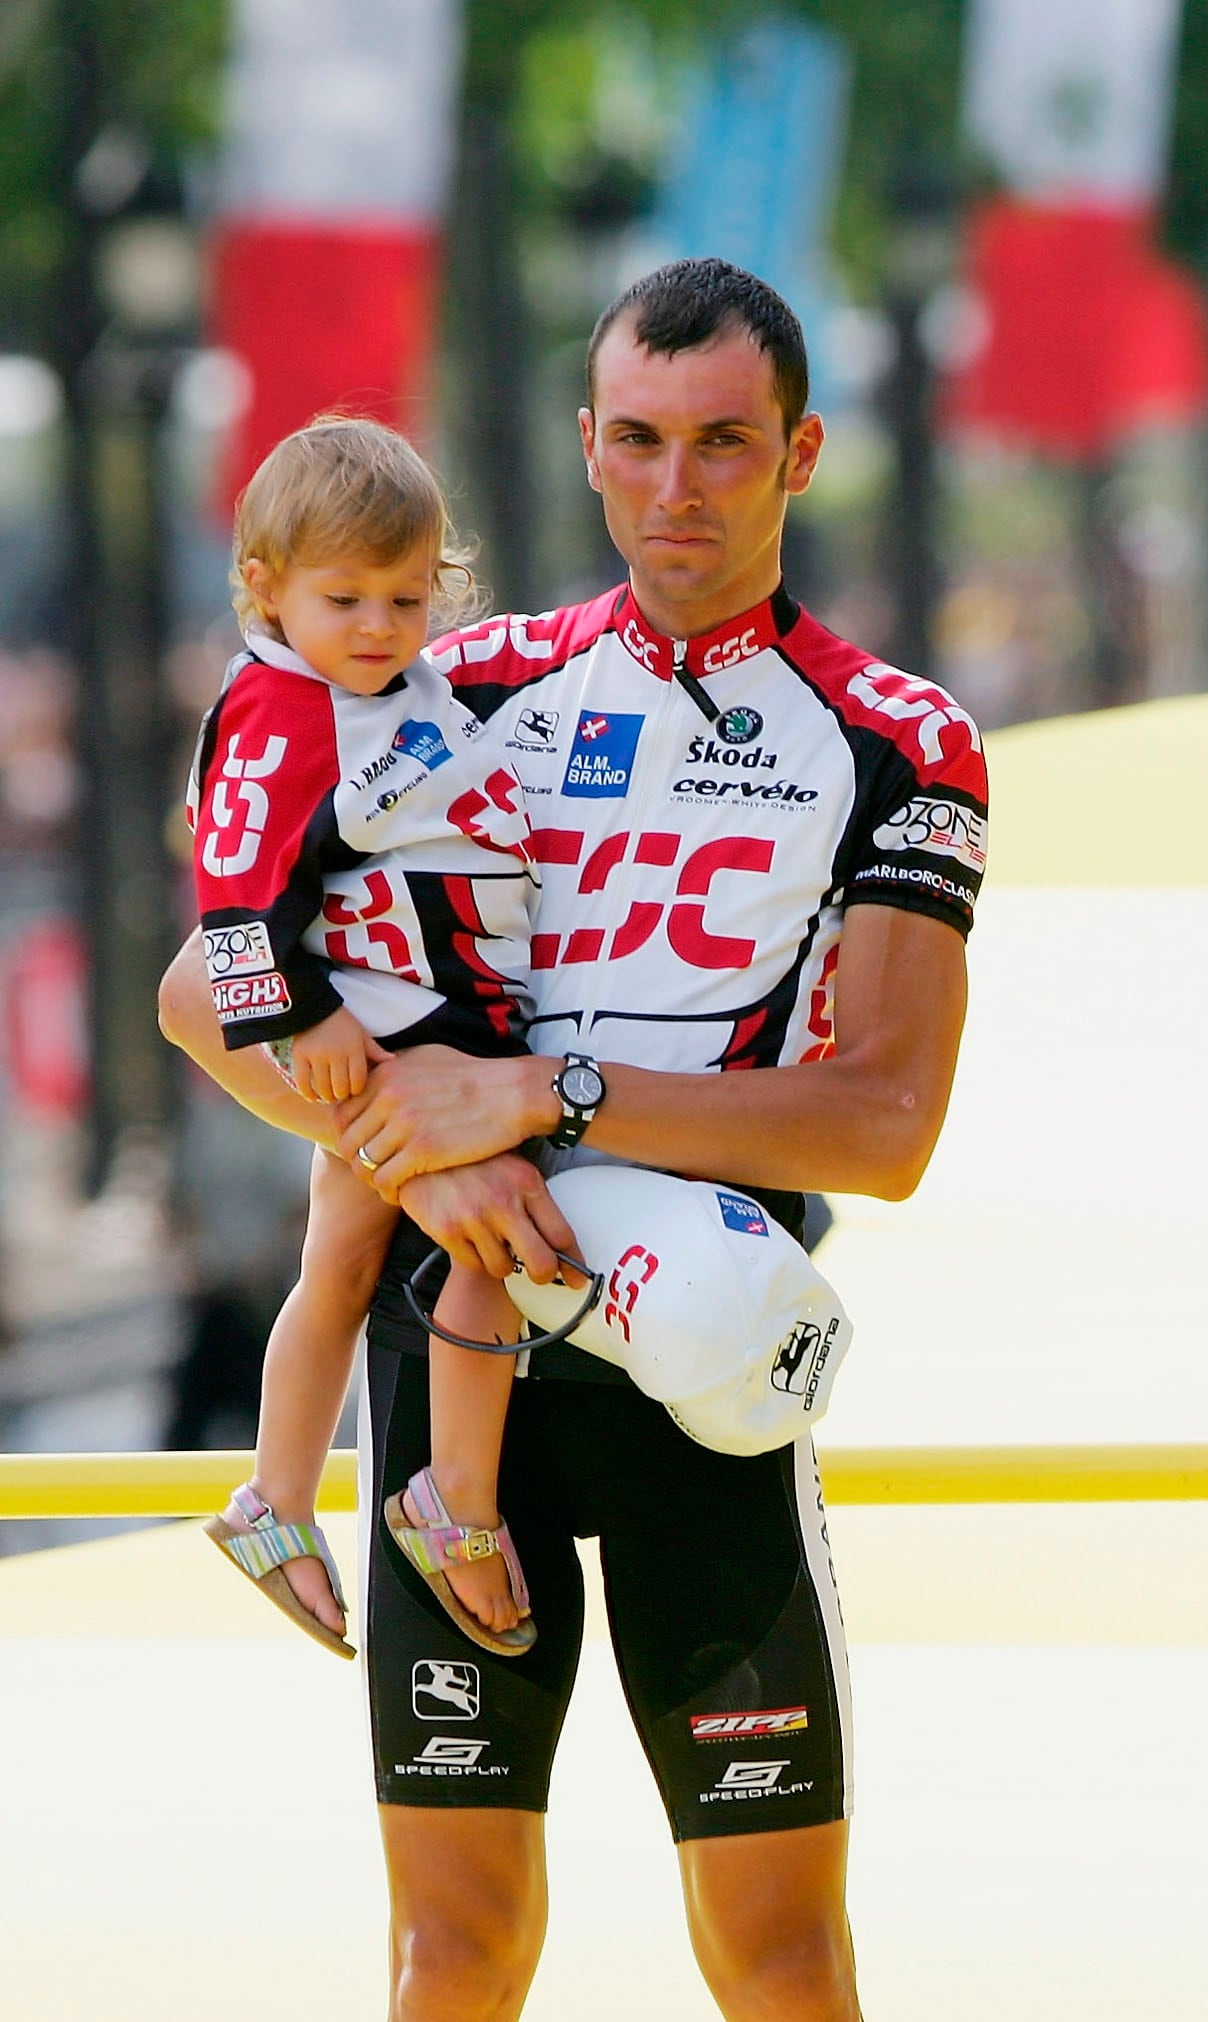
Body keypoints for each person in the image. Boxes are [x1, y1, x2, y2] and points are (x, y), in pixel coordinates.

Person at [161, 257, 985, 2021]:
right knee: (450, 1957)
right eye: (639, 440)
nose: (676, 485)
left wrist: (551, 1096)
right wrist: (423, 1154)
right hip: (456, 1390)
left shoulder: (899, 737)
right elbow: (198, 990)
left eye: (721, 443)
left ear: (802, 452)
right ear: (587, 448)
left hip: (702, 1386)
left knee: (779, 1959)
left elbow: (890, 1125)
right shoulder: (442, 679)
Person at [192, 416, 551, 1663]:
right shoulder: (288, 710)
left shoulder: (382, 692)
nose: (379, 626)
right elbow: (234, 890)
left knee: (340, 1263)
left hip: (433, 1021)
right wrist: (307, 1018)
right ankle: (454, 1496)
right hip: (404, 1033)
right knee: (483, 1246)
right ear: (265, 589)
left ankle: (274, 1499)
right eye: (341, 598)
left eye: (407, 596)